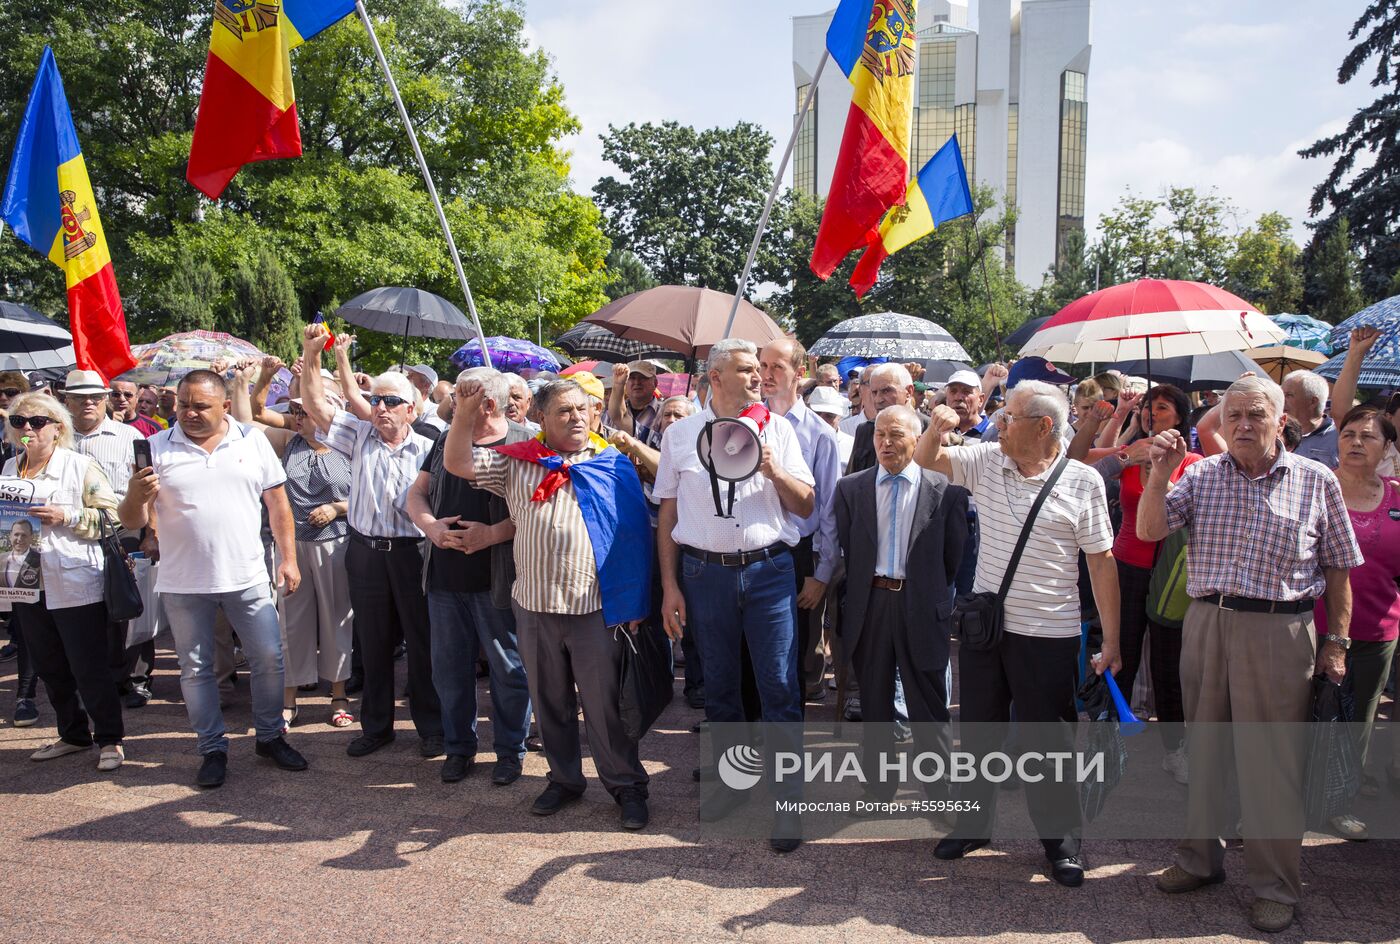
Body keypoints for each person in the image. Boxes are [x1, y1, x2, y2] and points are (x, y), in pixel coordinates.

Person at [1137, 375, 1362, 933]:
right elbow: (1149, 530)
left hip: (1279, 631)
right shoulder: (1202, 475)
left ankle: (1275, 886)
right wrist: (1161, 473)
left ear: (1280, 421)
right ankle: (1199, 860)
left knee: (1271, 763)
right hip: (1206, 622)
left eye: (1255, 414)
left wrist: (1336, 643)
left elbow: (1339, 568)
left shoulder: (1316, 479)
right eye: (1232, 414)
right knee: (1203, 751)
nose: (1242, 425)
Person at [914, 382, 1121, 888]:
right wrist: (935, 428)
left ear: (1044, 426)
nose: (999, 424)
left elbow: (1101, 562)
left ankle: (1061, 844)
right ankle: (973, 826)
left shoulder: (1083, 482)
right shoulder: (988, 460)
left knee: (1048, 741)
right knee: (979, 734)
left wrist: (1112, 640)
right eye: (1001, 416)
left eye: (1009, 418)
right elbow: (925, 463)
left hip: (1049, 633)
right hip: (986, 629)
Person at [444, 377, 654, 830]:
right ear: (540, 417)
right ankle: (564, 779)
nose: (577, 417)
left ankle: (626, 785)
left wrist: (635, 603)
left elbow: (634, 537)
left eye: (583, 409)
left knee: (604, 707)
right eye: (564, 411)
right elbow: (458, 462)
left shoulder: (612, 463)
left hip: (595, 609)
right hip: (535, 605)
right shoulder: (517, 462)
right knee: (550, 703)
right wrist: (464, 411)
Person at [654, 338, 815, 853]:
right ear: (716, 377)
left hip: (769, 571)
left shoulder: (779, 429)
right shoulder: (680, 435)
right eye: (746, 369)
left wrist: (775, 470)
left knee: (779, 687)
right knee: (720, 688)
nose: (758, 377)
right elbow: (668, 513)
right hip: (705, 574)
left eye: (759, 369)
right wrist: (670, 586)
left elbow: (807, 505)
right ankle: (733, 788)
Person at [118, 370, 307, 787]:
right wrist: (136, 495)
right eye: (183, 404)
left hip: (247, 575)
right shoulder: (155, 447)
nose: (189, 413)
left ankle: (270, 736)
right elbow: (131, 519)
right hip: (183, 582)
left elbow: (278, 504)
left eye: (200, 406)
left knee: (269, 658)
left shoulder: (251, 440)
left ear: (224, 406)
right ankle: (212, 748)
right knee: (196, 668)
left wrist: (289, 559)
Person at [298, 326, 441, 759]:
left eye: (391, 401)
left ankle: (432, 729)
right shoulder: (358, 436)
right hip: (365, 554)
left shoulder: (430, 448)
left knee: (423, 645)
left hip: (414, 555)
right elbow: (316, 405)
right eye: (376, 400)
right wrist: (312, 353)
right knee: (372, 644)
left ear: (412, 409)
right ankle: (376, 728)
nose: (380, 408)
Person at [404, 367, 533, 786]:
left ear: (488, 404)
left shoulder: (525, 442)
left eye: (462, 398)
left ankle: (510, 752)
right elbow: (416, 494)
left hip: (500, 580)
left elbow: (538, 511)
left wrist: (492, 534)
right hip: (444, 579)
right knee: (449, 671)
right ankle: (459, 748)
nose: (451, 405)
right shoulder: (446, 439)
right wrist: (431, 527)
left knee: (509, 671)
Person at [834, 405, 968, 807]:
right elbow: (850, 548)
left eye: (896, 435)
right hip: (871, 604)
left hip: (920, 604)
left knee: (928, 705)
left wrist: (927, 592)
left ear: (917, 439)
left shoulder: (945, 491)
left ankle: (940, 792)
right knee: (874, 703)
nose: (886, 443)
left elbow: (953, 559)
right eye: (880, 435)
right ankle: (878, 788)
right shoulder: (852, 488)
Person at [1079, 383, 1200, 780]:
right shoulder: (1132, 454)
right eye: (1147, 407)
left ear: (1180, 416)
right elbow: (1083, 464)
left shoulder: (1194, 462)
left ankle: (1175, 748)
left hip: (1170, 575)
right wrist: (1125, 440)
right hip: (1126, 566)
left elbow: (1187, 509)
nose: (1151, 413)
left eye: (1161, 407)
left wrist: (1163, 472)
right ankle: (1109, 741)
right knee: (1120, 654)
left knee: (1168, 665)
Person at [3, 393, 127, 771]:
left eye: (37, 421)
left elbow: (113, 518)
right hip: (25, 583)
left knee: (88, 666)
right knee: (49, 666)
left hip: (73, 581)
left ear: (57, 428)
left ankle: (110, 739)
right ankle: (73, 734)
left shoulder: (79, 466)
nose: (27, 428)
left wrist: (67, 516)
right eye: (19, 421)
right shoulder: (8, 469)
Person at [245, 358, 355, 730]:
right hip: (292, 545)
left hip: (335, 542)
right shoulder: (288, 441)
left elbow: (370, 493)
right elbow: (253, 416)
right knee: (291, 622)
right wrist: (263, 376)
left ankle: (338, 694)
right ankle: (289, 698)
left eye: (304, 411)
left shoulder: (348, 445)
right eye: (294, 411)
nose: (297, 417)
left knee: (337, 618)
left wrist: (337, 507)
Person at [1312, 406, 1400, 840]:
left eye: (1368, 436)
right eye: (1348, 434)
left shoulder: (1398, 497)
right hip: (1312, 626)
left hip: (1377, 630)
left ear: (1387, 447)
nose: (1356, 443)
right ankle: (1278, 803)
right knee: (1296, 718)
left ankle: (1338, 806)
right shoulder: (1314, 486)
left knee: (1356, 724)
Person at [62, 369, 152, 709]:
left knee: (127, 603)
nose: (88, 403)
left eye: (95, 397)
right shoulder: (56, 438)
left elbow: (151, 487)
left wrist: (151, 534)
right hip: (73, 532)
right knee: (84, 609)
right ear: (66, 401)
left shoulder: (130, 436)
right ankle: (96, 679)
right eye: (79, 397)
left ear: (105, 400)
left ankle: (136, 679)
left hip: (122, 529)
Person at [761, 339, 840, 704]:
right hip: (753, 551)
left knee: (793, 660)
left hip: (798, 556)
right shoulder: (745, 424)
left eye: (776, 367)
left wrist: (821, 573)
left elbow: (828, 509)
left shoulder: (819, 433)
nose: (766, 375)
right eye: (762, 366)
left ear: (799, 373)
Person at [1329, 326, 1400, 478]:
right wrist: (1356, 354)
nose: (1357, 442)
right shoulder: (1375, 447)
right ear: (1389, 418)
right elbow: (1340, 413)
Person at [847, 363, 927, 473]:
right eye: (874, 392)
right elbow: (853, 478)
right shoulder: (865, 430)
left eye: (886, 391)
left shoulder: (929, 429)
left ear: (909, 392)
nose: (878, 399)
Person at [1281, 369, 1337, 467]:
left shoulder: (1337, 437)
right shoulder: (1276, 431)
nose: (1282, 400)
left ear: (1313, 402)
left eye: (1289, 395)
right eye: (1281, 394)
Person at [605, 360, 660, 440]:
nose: (637, 382)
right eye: (631, 378)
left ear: (655, 383)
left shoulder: (665, 413)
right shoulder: (611, 412)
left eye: (643, 378)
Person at [808, 386, 855, 467]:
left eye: (829, 415)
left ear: (840, 417)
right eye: (817, 413)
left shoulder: (852, 446)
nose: (821, 419)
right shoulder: (797, 440)